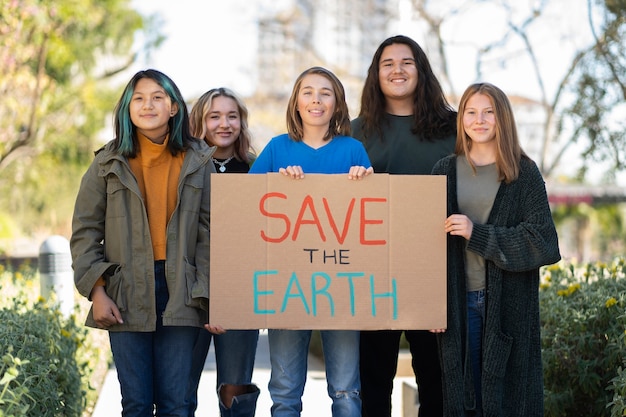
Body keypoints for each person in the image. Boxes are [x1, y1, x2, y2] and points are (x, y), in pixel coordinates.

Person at [70, 69, 214, 417]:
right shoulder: (106, 163)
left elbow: (211, 234)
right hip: (125, 290)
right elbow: (84, 232)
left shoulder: (198, 161)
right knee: (135, 404)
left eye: (157, 97)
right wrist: (98, 291)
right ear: (127, 108)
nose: (147, 105)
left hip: (181, 289)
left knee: (176, 404)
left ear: (174, 108)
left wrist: (209, 292)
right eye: (139, 98)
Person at [245, 66, 373, 417]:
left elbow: (372, 220)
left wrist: (366, 181)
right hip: (287, 286)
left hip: (342, 286)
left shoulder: (353, 151)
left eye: (326, 93)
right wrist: (276, 183)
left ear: (337, 104)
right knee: (285, 393)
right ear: (296, 103)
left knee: (347, 390)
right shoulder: (275, 149)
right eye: (308, 92)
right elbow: (245, 208)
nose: (316, 99)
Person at [431, 82, 561, 416]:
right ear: (461, 120)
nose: (480, 120)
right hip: (458, 305)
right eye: (471, 112)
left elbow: (543, 242)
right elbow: (426, 247)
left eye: (489, 112)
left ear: (502, 118)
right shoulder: (443, 171)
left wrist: (478, 234)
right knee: (464, 400)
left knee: (507, 401)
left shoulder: (523, 173)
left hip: (506, 306)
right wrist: (430, 304)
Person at [351, 34, 456, 417]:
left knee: (438, 384)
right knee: (372, 385)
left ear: (421, 70)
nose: (397, 70)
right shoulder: (354, 131)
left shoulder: (454, 128)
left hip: (436, 273)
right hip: (371, 277)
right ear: (375, 75)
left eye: (406, 62)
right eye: (387, 64)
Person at [187, 87, 260, 417]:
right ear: (200, 122)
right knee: (180, 387)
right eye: (214, 116)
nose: (224, 123)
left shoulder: (258, 170)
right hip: (188, 294)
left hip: (240, 294)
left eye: (232, 116)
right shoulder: (182, 170)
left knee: (236, 386)